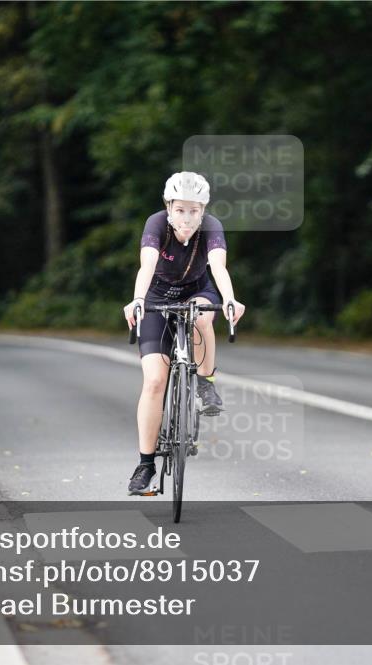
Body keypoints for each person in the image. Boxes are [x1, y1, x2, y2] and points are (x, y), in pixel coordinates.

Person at [122, 172, 246, 495]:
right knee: (153, 382)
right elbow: (146, 265)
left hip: (198, 291)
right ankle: (146, 464)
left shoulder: (212, 228)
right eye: (180, 210)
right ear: (169, 207)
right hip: (156, 296)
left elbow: (218, 267)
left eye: (194, 210)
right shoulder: (156, 225)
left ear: (203, 210)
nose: (187, 218)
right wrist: (137, 300)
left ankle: (205, 383)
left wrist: (230, 298)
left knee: (203, 316)